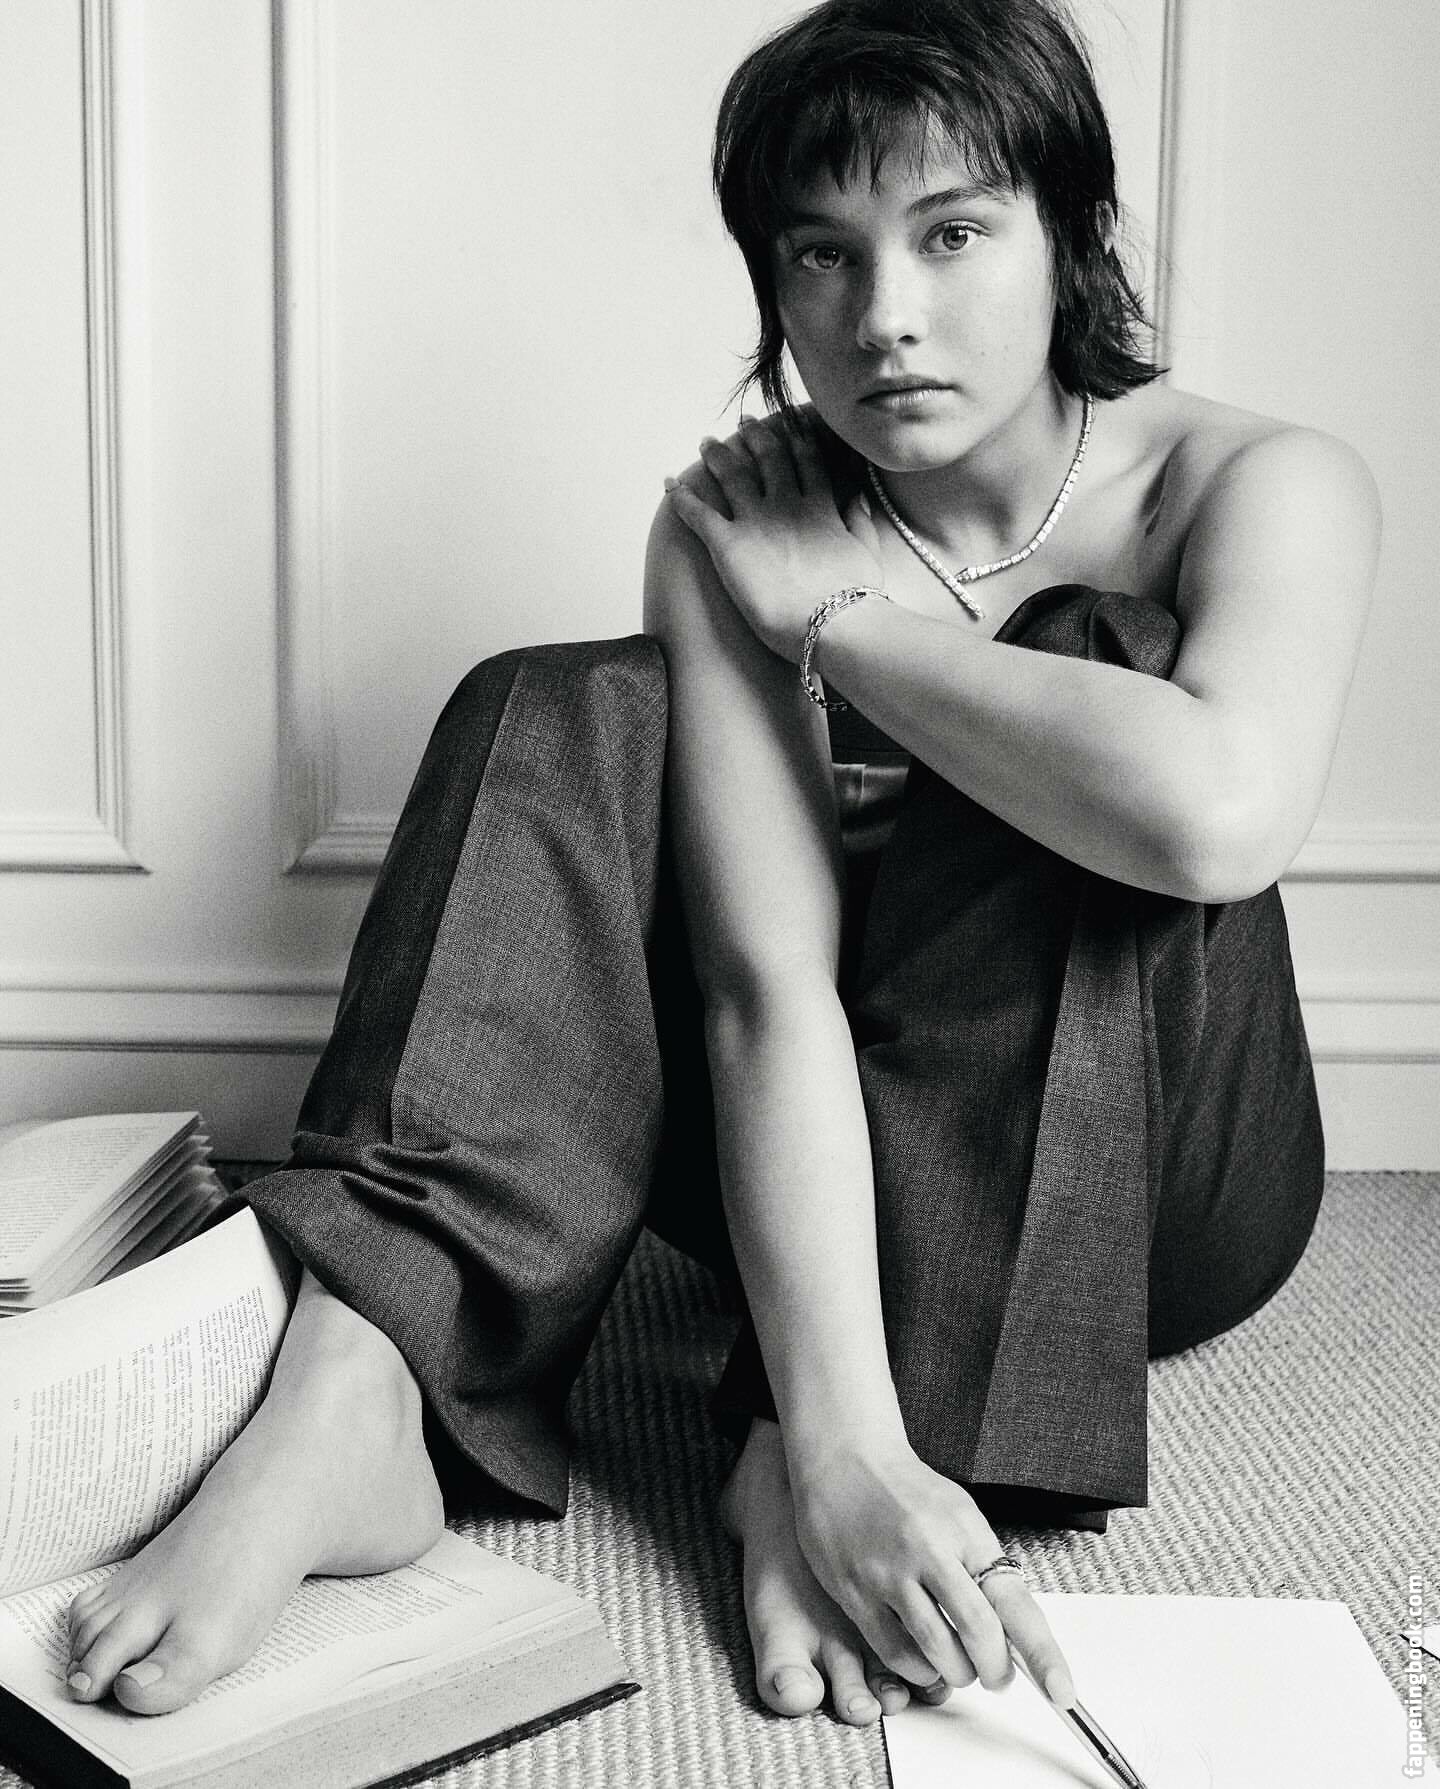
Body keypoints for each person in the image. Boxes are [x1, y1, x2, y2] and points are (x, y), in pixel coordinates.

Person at [59, 0, 1379, 1734]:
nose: (882, 314)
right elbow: (766, 991)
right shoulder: (740, 522)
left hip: (1158, 1177)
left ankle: (811, 1437)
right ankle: (362, 1377)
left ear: (1072, 238)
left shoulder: (1255, 480)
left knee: (1084, 677)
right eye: (822, 254)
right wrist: (835, 1435)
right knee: (563, 700)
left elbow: (1217, 813)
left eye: (952, 234)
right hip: (804, 1129)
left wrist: (849, 627)